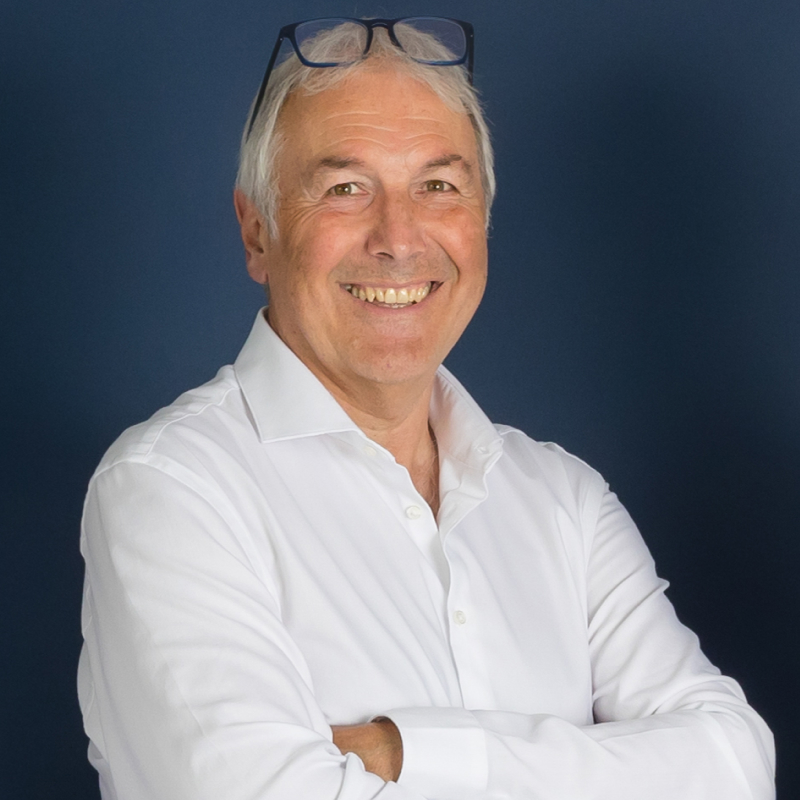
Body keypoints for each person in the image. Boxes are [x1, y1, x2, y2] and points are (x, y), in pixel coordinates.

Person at [78, 17, 775, 800]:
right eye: (345, 188)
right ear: (256, 231)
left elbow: (731, 763)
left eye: (438, 186)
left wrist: (404, 755)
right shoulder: (172, 490)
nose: (399, 238)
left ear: (481, 219)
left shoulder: (565, 502)